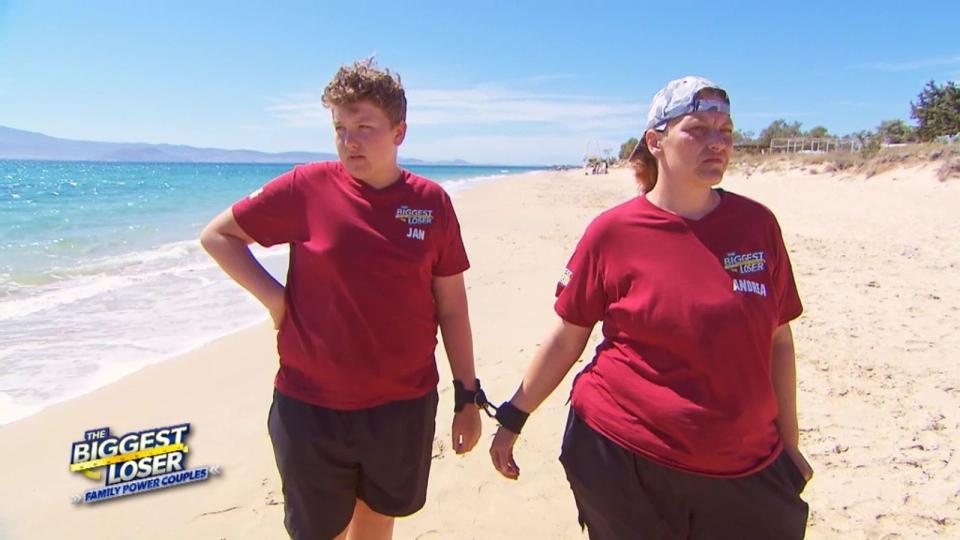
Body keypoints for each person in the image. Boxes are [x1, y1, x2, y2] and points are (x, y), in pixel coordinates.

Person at [488, 76, 813, 539]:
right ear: (656, 141)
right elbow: (568, 336)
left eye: (725, 131)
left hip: (748, 465)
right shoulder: (613, 232)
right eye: (698, 130)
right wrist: (514, 416)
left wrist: (789, 445)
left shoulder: (757, 226)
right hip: (624, 458)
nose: (716, 144)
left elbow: (779, 340)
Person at [200, 58, 482, 540]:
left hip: (401, 407)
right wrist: (277, 301)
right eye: (339, 127)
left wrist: (467, 395)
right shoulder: (304, 188)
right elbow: (218, 236)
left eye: (364, 127)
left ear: (399, 131)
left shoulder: (431, 203)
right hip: (311, 407)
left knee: (375, 528)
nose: (349, 140)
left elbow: (452, 308)